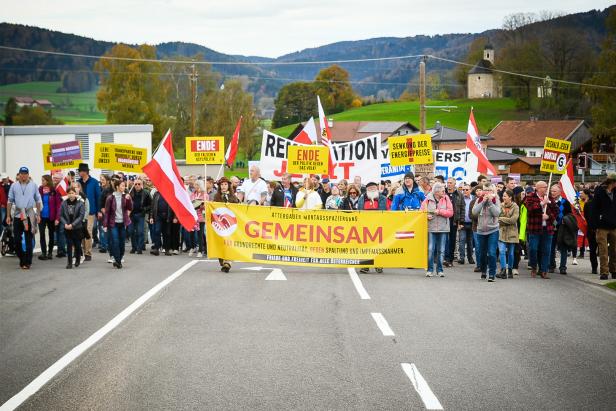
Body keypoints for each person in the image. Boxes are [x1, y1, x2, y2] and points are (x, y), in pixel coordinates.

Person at [6, 167, 42, 269]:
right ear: (19, 174)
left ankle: (28, 262)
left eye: (25, 174)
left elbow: (38, 200)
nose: (23, 175)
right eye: (22, 173)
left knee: (29, 239)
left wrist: (38, 214)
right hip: (18, 215)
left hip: (29, 215)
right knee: (16, 240)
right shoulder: (14, 185)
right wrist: (8, 215)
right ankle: (22, 257)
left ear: (28, 174)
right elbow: (9, 201)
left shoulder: (33, 185)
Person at [524, 181, 559, 279]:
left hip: (547, 228)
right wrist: (541, 204)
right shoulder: (530, 196)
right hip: (534, 228)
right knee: (533, 249)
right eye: (545, 187)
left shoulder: (549, 197)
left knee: (546, 250)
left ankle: (544, 270)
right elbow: (530, 209)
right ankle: (534, 267)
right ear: (538, 188)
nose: (547, 189)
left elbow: (556, 210)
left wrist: (548, 216)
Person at [421, 183, 453, 277]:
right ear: (436, 191)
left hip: (443, 228)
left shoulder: (446, 198)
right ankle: (430, 270)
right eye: (443, 190)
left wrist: (439, 212)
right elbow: (421, 211)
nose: (444, 192)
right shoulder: (427, 199)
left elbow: (451, 213)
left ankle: (440, 270)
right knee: (430, 249)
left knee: (441, 250)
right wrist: (426, 216)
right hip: (431, 228)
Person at [472, 184, 501, 282]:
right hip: (480, 230)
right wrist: (483, 201)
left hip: (493, 230)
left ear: (493, 191)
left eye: (489, 190)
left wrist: (489, 203)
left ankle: (492, 274)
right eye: (485, 190)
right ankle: (484, 271)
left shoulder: (496, 200)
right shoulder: (479, 199)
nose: (487, 192)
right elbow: (474, 212)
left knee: (492, 253)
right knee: (482, 253)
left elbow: (497, 213)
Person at [358, 182, 387, 274]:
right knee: (365, 246)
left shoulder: (382, 198)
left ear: (377, 188)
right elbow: (360, 211)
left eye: (374, 188)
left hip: (378, 226)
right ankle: (365, 266)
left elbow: (382, 210)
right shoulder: (362, 198)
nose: (372, 190)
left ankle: (378, 264)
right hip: (365, 226)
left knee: (378, 246)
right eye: (370, 188)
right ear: (367, 190)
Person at [103, 179, 133, 269]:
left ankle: (119, 258)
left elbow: (130, 207)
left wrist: (129, 200)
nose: (124, 187)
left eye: (124, 186)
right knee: (115, 241)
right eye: (122, 185)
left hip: (122, 223)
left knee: (121, 243)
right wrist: (105, 224)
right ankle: (118, 261)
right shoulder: (110, 198)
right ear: (117, 186)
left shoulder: (126, 197)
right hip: (113, 223)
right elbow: (107, 212)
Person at [592, 173, 616, 280]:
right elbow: (594, 209)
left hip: (614, 225)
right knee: (603, 250)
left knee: (615, 250)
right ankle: (604, 272)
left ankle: (614, 270)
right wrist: (595, 225)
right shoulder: (599, 191)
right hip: (602, 226)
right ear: (612, 182)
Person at [213, 177, 240, 272]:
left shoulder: (233, 197)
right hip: (220, 223)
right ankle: (222, 259)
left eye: (225, 184)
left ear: (228, 185)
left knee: (230, 242)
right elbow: (213, 209)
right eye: (222, 185)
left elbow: (238, 209)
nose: (224, 186)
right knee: (221, 242)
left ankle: (228, 262)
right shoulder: (217, 197)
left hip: (231, 224)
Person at [76, 163, 100, 261]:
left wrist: (99, 210)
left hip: (91, 210)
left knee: (88, 230)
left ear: (85, 172)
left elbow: (98, 197)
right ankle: (82, 251)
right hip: (79, 211)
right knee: (81, 232)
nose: (79, 172)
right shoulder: (77, 182)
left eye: (80, 171)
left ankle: (88, 253)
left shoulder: (94, 182)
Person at [60, 186, 86, 269]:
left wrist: (73, 225)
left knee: (77, 245)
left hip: (77, 228)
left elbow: (81, 216)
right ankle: (69, 262)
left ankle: (78, 258)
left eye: (72, 193)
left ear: (75, 193)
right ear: (67, 194)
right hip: (67, 227)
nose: (71, 195)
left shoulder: (80, 203)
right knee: (69, 245)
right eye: (69, 193)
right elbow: (61, 215)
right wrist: (65, 224)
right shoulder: (64, 203)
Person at [37, 174, 61, 260]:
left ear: (47, 181)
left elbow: (58, 205)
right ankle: (44, 252)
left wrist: (57, 217)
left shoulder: (54, 190)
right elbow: (36, 201)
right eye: (41, 180)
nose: (42, 182)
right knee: (42, 234)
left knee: (51, 234)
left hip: (51, 216)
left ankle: (50, 253)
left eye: (43, 180)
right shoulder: (39, 189)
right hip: (41, 216)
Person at [497, 189, 519, 279]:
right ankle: (503, 270)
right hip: (501, 232)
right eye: (503, 196)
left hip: (512, 232)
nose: (503, 198)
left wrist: (501, 219)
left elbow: (513, 220)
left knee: (510, 253)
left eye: (505, 196)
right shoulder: (500, 205)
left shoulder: (515, 207)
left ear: (510, 197)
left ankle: (510, 270)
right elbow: (496, 217)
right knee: (502, 251)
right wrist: (506, 219)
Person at [556, 202, 578, 275]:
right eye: (552, 191)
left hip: (563, 229)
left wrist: (565, 219)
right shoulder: (550, 201)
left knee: (563, 250)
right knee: (551, 248)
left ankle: (562, 267)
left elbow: (569, 213)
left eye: (554, 191)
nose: (552, 193)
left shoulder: (565, 202)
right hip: (553, 227)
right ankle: (551, 265)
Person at [129, 178, 151, 255]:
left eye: (139, 184)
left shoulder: (146, 193)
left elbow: (150, 205)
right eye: (136, 184)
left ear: (142, 185)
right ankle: (134, 247)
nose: (137, 185)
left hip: (141, 215)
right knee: (131, 231)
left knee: (140, 232)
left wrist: (144, 209)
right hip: (131, 215)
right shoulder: (130, 193)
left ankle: (139, 248)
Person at [455, 184, 475, 265]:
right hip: (462, 223)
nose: (465, 191)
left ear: (470, 190)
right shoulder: (459, 198)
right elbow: (458, 211)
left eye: (467, 189)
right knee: (462, 240)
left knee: (470, 241)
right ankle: (462, 258)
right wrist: (459, 222)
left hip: (472, 223)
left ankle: (470, 258)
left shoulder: (474, 199)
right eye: (463, 190)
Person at [580, 189, 598, 274]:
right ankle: (597, 267)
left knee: (593, 250)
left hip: (592, 229)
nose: (580, 195)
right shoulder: (588, 204)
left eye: (582, 193)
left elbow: (587, 217)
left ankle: (595, 267)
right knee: (595, 250)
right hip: (593, 229)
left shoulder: (588, 204)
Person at [444, 177, 460, 267]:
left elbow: (461, 208)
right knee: (445, 239)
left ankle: (450, 259)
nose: (449, 184)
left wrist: (460, 222)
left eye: (451, 183)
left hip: (453, 220)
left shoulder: (458, 194)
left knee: (452, 240)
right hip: (444, 219)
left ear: (454, 184)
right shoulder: (443, 193)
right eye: (448, 182)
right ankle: (445, 258)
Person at [97, 174, 113, 254]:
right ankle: (103, 245)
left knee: (107, 229)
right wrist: (100, 211)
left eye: (103, 179)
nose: (101, 181)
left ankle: (106, 244)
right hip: (102, 211)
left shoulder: (110, 190)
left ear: (108, 180)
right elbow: (99, 201)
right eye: (100, 179)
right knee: (101, 228)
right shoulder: (99, 188)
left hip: (110, 212)